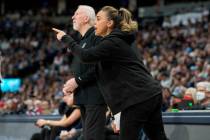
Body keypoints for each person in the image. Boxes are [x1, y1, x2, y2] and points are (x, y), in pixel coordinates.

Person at [53, 6, 168, 140]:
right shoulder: (116, 41)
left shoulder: (112, 42)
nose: (94, 22)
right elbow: (99, 71)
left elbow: (86, 56)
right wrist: (77, 81)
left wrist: (66, 39)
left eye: (98, 19)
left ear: (109, 23)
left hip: (137, 98)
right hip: (149, 94)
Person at [56, 5, 107, 140]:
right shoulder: (83, 40)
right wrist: (72, 84)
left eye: (76, 14)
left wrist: (77, 81)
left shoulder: (97, 37)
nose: (73, 17)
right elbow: (84, 70)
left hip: (95, 98)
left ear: (85, 18)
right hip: (84, 98)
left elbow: (100, 67)